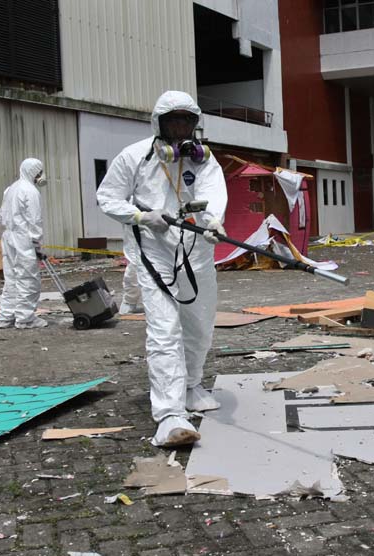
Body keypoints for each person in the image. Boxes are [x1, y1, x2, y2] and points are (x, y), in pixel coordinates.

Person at [97, 91, 227, 447]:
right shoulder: (133, 158)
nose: (181, 128)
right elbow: (107, 197)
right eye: (174, 121)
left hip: (197, 252)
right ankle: (170, 414)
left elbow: (214, 191)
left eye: (187, 121)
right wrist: (140, 216)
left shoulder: (202, 160)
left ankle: (190, 384)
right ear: (159, 123)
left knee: (199, 324)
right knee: (165, 329)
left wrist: (214, 220)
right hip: (154, 252)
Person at [0, 158, 49, 329]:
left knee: (11, 277)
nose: (41, 175)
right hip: (23, 237)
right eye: (39, 172)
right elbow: (35, 219)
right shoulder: (31, 191)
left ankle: (5, 316)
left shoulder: (11, 188)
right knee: (28, 278)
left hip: (9, 236)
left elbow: (1, 215)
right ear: (34, 172)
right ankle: (25, 318)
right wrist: (36, 242)